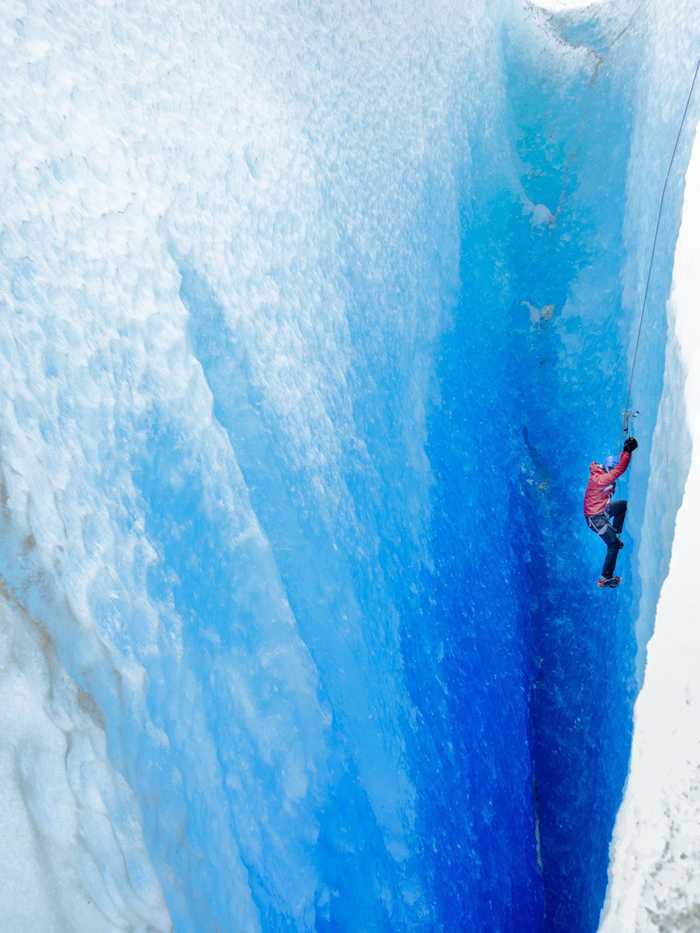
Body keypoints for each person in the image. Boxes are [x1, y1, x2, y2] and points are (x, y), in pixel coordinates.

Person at [583, 437, 638, 588]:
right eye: (611, 470)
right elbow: (619, 469)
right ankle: (605, 577)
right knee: (613, 545)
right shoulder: (600, 479)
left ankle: (616, 532)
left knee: (622, 505)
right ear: (607, 469)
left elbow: (616, 468)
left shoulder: (602, 473)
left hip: (601, 512)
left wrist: (624, 451)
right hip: (595, 519)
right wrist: (627, 452)